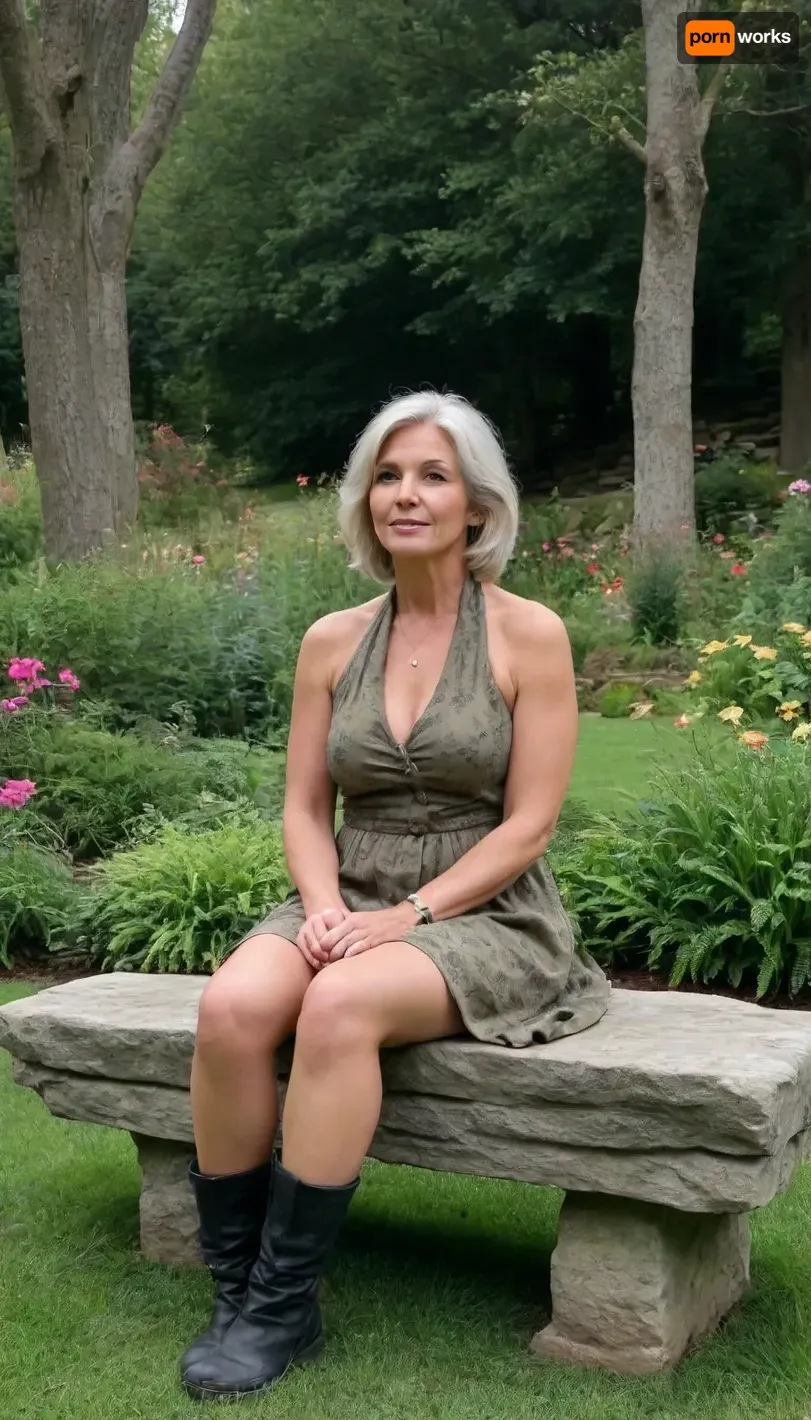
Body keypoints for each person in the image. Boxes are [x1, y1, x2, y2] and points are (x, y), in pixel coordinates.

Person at [179, 389, 610, 1402]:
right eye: (387, 474)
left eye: (432, 475)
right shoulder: (331, 639)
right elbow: (301, 804)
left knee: (338, 1003)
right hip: (353, 881)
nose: (405, 495)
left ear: (477, 504)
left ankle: (283, 1307)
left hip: (483, 909)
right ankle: (235, 1285)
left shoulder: (529, 634)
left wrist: (404, 919)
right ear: (364, 499)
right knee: (232, 1006)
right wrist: (325, 906)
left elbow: (529, 824)